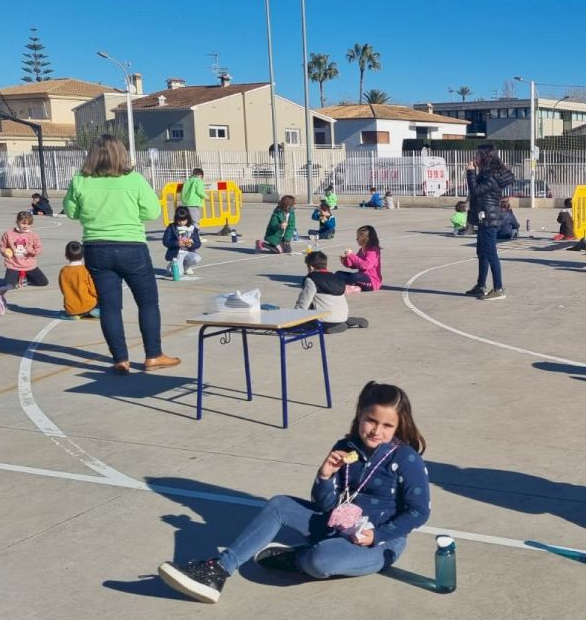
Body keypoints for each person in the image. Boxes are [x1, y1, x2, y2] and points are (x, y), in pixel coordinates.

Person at [157, 382, 430, 604]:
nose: (377, 431)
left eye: (387, 426)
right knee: (279, 504)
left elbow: (419, 511)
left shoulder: (405, 458)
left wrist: (377, 535)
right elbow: (325, 504)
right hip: (336, 524)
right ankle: (218, 569)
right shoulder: (345, 446)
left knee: (321, 559)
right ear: (360, 414)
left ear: (398, 426)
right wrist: (324, 476)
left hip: (378, 542)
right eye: (371, 420)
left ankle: (297, 559)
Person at [62, 134, 179, 374]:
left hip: (96, 247)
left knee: (110, 306)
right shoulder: (133, 179)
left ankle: (120, 359)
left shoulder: (80, 180)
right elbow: (151, 212)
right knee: (147, 302)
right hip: (131, 246)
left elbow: (71, 212)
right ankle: (153, 355)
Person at [464, 145, 515, 300]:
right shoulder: (486, 173)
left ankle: (498, 288)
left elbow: (476, 191)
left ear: (485, 157)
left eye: (478, 155)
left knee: (491, 253)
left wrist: (470, 172)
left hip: (489, 218)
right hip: (483, 217)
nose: (475, 158)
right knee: (481, 252)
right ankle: (480, 286)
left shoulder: (492, 176)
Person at [295, 251, 366, 334]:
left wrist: (294, 319)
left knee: (306, 325)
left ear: (311, 267)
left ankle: (336, 326)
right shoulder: (337, 278)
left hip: (325, 320)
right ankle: (343, 321)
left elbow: (303, 303)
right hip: (342, 315)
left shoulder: (311, 280)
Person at [0, 211, 47, 288]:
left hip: (29, 263)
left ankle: (25, 276)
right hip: (13, 264)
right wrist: (4, 252)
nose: (26, 226)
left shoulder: (33, 235)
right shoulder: (8, 233)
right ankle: (18, 277)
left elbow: (39, 248)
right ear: (17, 222)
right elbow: (2, 246)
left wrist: (33, 252)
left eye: (29, 224)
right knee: (9, 285)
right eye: (23, 223)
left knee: (43, 282)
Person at [58, 241, 100, 320]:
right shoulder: (85, 270)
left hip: (71, 308)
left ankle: (74, 315)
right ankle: (93, 312)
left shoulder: (63, 271)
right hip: (88, 306)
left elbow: (63, 289)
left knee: (68, 310)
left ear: (66, 256)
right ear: (83, 255)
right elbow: (93, 289)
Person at [337, 225, 382, 291]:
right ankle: (352, 286)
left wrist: (351, 255)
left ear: (365, 238)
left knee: (355, 276)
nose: (356, 239)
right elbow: (356, 264)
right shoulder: (361, 250)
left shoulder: (373, 250)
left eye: (358, 237)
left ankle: (348, 287)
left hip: (372, 281)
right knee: (339, 274)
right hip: (362, 277)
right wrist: (346, 261)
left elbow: (366, 265)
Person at [162, 206, 202, 277]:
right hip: (176, 253)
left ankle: (186, 266)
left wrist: (191, 244)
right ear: (176, 219)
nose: (181, 223)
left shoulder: (192, 228)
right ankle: (171, 266)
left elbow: (198, 243)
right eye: (179, 220)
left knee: (197, 258)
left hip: (188, 252)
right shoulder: (171, 228)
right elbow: (166, 241)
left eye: (183, 220)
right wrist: (177, 243)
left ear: (188, 219)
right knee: (179, 274)